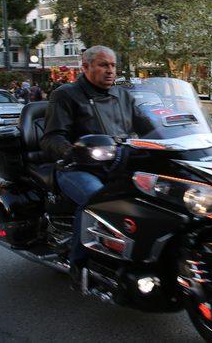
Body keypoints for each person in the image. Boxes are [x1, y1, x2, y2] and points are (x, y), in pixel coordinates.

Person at [41, 45, 150, 282]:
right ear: (85, 67)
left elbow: (149, 127)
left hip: (120, 162)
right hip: (78, 166)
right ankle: (79, 263)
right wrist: (74, 152)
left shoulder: (123, 95)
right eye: (103, 65)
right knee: (98, 200)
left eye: (112, 65)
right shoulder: (66, 94)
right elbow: (52, 138)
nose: (110, 71)